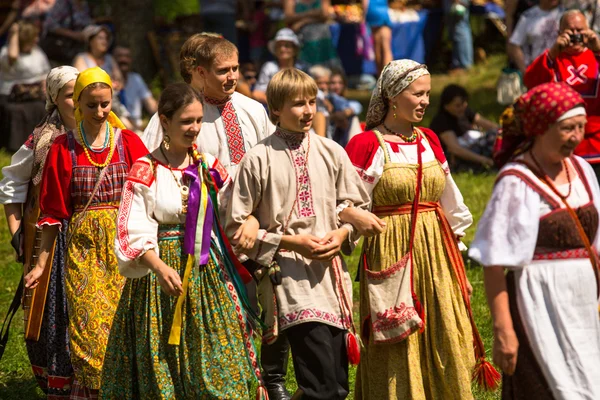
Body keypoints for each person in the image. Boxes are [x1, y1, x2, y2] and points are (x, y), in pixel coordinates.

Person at [344, 59, 499, 399]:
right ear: (394, 96)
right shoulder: (366, 144)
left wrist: (456, 259)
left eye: (428, 94)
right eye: (418, 94)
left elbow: (449, 198)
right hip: (391, 249)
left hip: (436, 251)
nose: (426, 101)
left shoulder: (429, 138)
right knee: (397, 336)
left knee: (445, 327)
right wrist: (352, 225)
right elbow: (344, 203)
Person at [101, 83, 266, 399]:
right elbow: (132, 226)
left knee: (219, 355)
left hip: (206, 271)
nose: (194, 129)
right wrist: (159, 268)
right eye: (186, 121)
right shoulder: (145, 169)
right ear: (164, 121)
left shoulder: (208, 166)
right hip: (158, 275)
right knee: (161, 358)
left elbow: (238, 206)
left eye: (198, 120)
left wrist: (253, 220)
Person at [225, 67, 371, 400]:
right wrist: (291, 242)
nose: (307, 111)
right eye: (297, 104)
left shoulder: (331, 151)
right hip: (286, 277)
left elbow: (357, 205)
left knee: (335, 386)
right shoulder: (258, 157)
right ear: (275, 108)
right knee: (322, 386)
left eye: (312, 102)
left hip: (330, 278)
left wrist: (342, 233)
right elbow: (236, 226)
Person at [470, 82, 600, 399]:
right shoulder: (517, 181)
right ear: (541, 128)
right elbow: (494, 263)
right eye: (568, 128)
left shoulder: (583, 170)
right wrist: (504, 331)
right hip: (537, 305)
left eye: (581, 127)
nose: (576, 136)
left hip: (585, 306)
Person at [25, 66, 148, 398]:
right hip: (84, 252)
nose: (99, 112)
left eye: (105, 104)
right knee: (89, 332)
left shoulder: (130, 143)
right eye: (91, 104)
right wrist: (39, 265)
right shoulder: (63, 149)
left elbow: (150, 198)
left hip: (126, 249)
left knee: (128, 331)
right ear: (77, 102)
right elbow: (52, 213)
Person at [0, 65, 78, 398]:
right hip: (50, 238)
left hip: (92, 235)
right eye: (71, 94)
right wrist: (17, 232)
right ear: (55, 98)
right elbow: (11, 181)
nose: (79, 100)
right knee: (52, 312)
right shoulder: (43, 138)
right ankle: (57, 380)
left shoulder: (107, 131)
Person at [143, 36, 273, 177]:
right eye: (223, 71)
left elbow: (271, 159)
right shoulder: (176, 112)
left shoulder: (253, 109)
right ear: (202, 72)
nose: (232, 77)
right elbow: (149, 162)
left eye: (235, 69)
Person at [524, 10, 600, 178]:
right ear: (559, 33)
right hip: (563, 146)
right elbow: (531, 82)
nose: (575, 35)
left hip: (597, 143)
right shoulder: (552, 58)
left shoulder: (596, 56)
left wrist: (598, 50)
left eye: (580, 30)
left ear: (589, 30)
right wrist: (552, 52)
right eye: (570, 31)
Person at [0, 21, 50, 151]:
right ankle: (15, 146)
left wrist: (45, 85)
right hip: (13, 96)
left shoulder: (37, 52)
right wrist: (15, 33)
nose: (36, 40)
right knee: (18, 111)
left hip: (35, 94)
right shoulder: (7, 52)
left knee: (42, 107)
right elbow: (13, 56)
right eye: (33, 37)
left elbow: (45, 72)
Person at [430, 84, 498, 170]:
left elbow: (490, 126)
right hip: (460, 157)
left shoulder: (465, 112)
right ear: (446, 106)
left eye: (464, 103)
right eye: (457, 105)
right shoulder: (442, 121)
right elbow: (455, 149)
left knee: (495, 135)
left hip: (475, 147)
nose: (462, 107)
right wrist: (485, 160)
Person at [252, 28, 308, 105]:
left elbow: (310, 91)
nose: (282, 49)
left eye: (287, 46)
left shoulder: (303, 67)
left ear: (295, 49)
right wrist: (279, 106)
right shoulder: (269, 67)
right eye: (279, 46)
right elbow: (257, 93)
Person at [507, 0, 561, 74]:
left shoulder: (567, 15)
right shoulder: (528, 16)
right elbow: (515, 45)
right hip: (536, 71)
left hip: (560, 71)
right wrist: (525, 72)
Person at [282, 0, 340, 68]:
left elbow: (325, 15)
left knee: (329, 72)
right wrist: (314, 13)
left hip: (322, 40)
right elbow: (288, 18)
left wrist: (303, 22)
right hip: (302, 41)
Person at [113, 45, 158, 130]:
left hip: (137, 127)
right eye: (120, 56)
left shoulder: (136, 79)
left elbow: (150, 103)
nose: (123, 59)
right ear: (113, 59)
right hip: (117, 128)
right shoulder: (108, 82)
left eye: (127, 56)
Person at [327, 69, 363, 147]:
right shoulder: (326, 98)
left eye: (340, 83)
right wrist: (335, 117)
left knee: (353, 118)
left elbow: (358, 107)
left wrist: (344, 114)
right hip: (329, 136)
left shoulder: (347, 102)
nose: (337, 86)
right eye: (333, 83)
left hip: (343, 136)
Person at [363, 0, 392, 75]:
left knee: (377, 47)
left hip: (371, 12)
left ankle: (380, 76)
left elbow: (365, 3)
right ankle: (387, 76)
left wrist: (363, 17)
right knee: (386, 48)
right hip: (382, 12)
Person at [444, 0, 474, 72]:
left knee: (460, 31)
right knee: (456, 33)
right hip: (453, 5)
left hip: (457, 4)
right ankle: (458, 65)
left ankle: (464, 65)